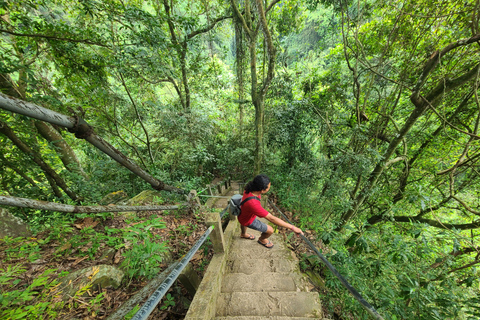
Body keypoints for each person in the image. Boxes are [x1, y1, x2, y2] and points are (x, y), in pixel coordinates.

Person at [238, 174, 304, 248]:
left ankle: (243, 234)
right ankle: (262, 239)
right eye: (268, 187)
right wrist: (293, 228)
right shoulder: (253, 203)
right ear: (262, 190)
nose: (269, 188)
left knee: (244, 221)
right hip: (247, 220)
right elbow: (272, 218)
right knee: (270, 230)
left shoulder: (249, 189)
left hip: (243, 215)